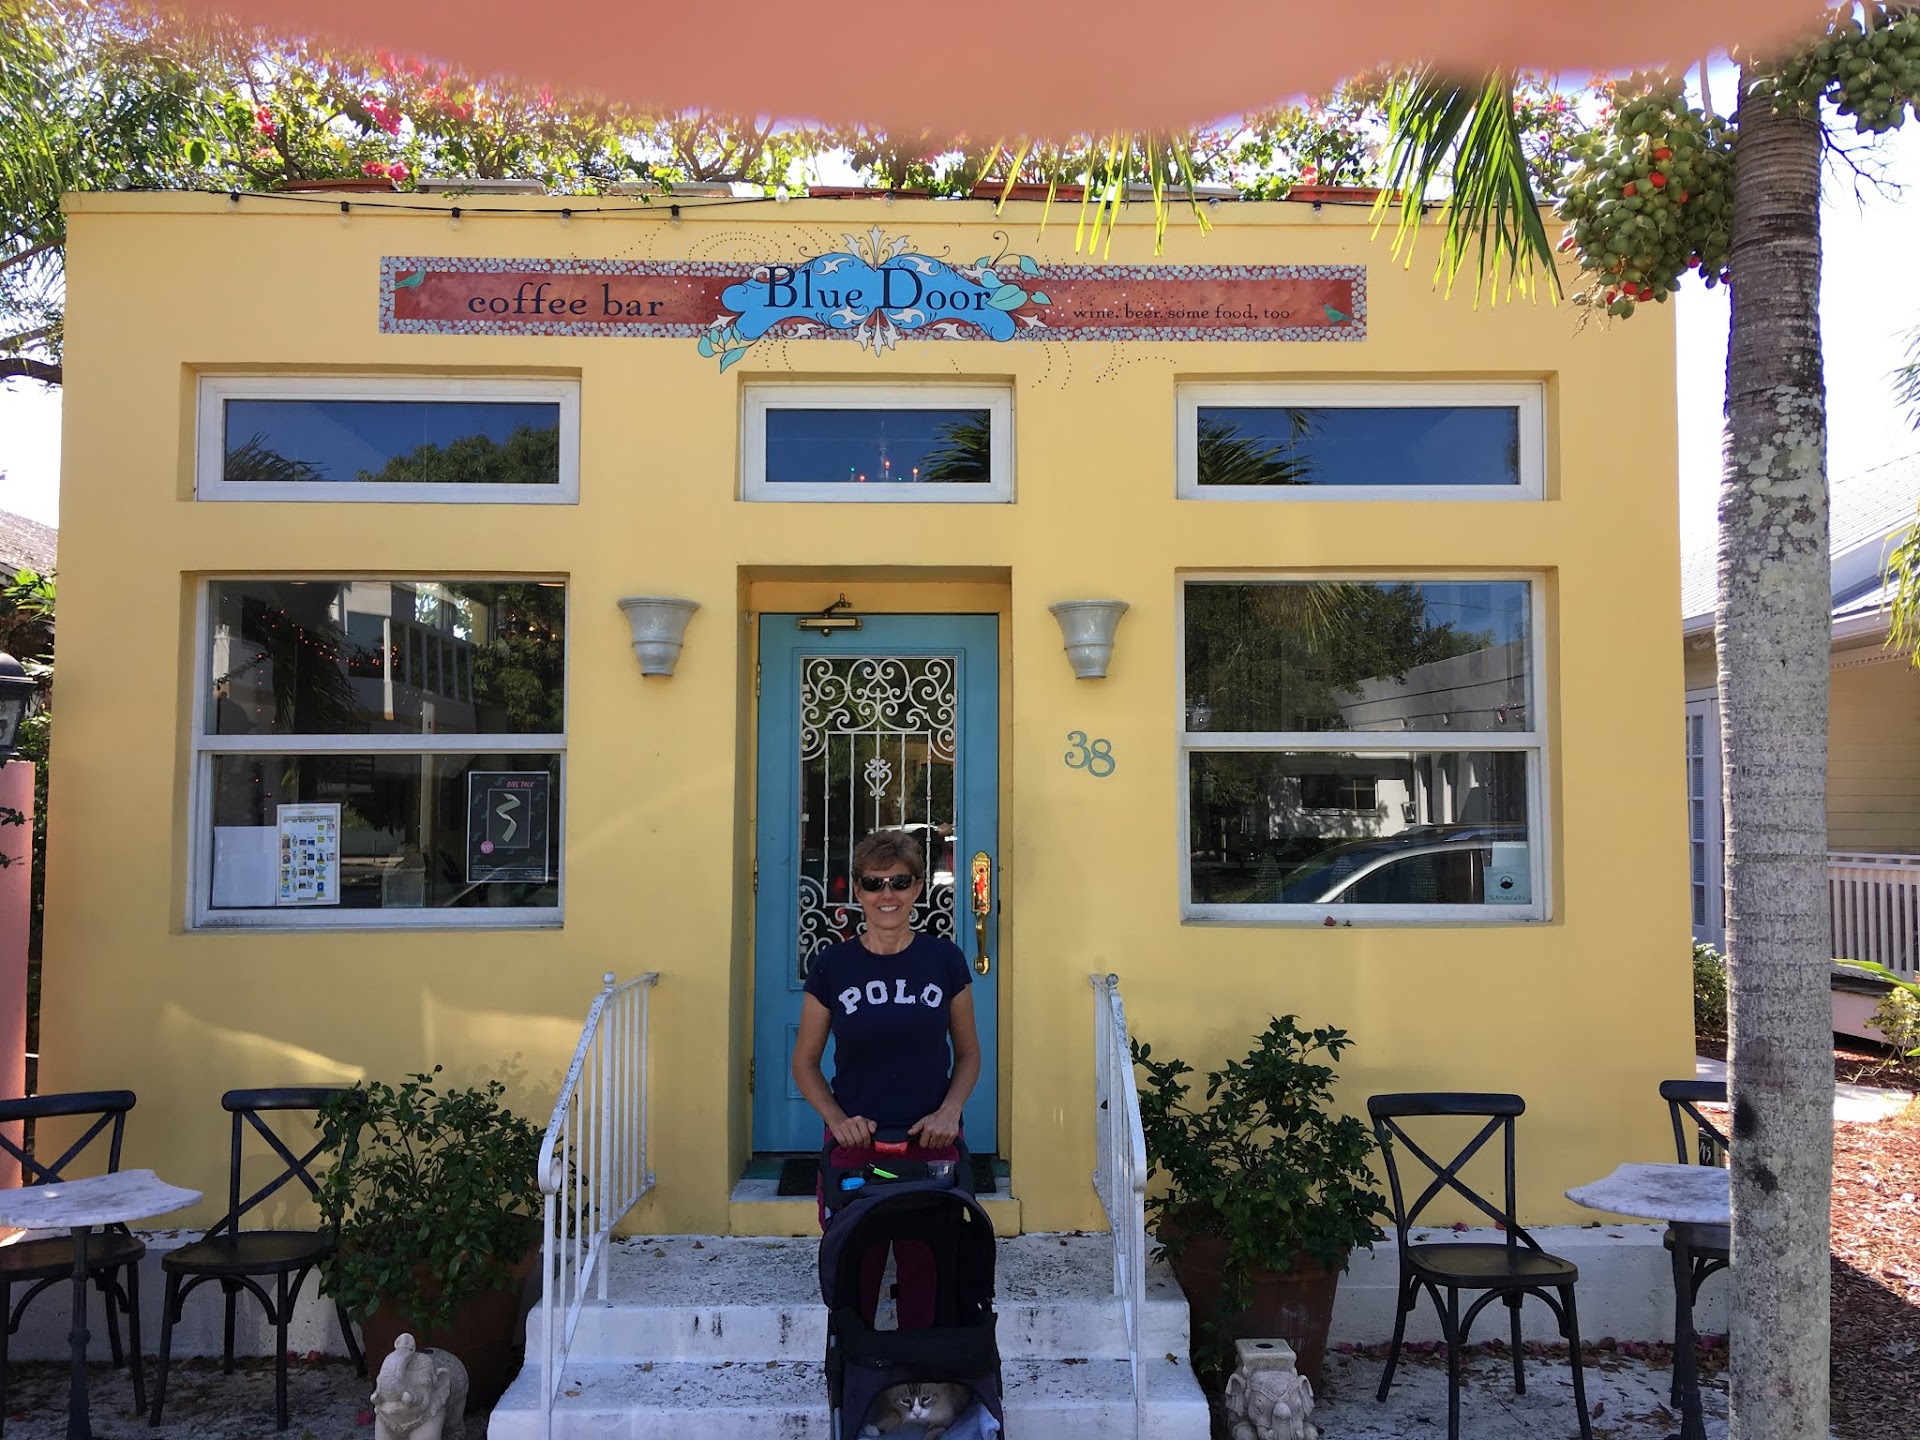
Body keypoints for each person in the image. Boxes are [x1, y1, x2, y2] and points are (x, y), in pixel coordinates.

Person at [793, 827, 981, 1327]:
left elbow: (968, 1053)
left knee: (929, 1271)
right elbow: (805, 1062)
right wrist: (838, 1121)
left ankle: (924, 1368)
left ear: (918, 886)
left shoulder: (944, 960)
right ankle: (856, 1371)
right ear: (857, 890)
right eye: (874, 883)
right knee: (856, 1272)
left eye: (899, 882)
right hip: (857, 1145)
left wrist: (950, 1111)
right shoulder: (833, 966)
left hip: (930, 1141)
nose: (887, 895)